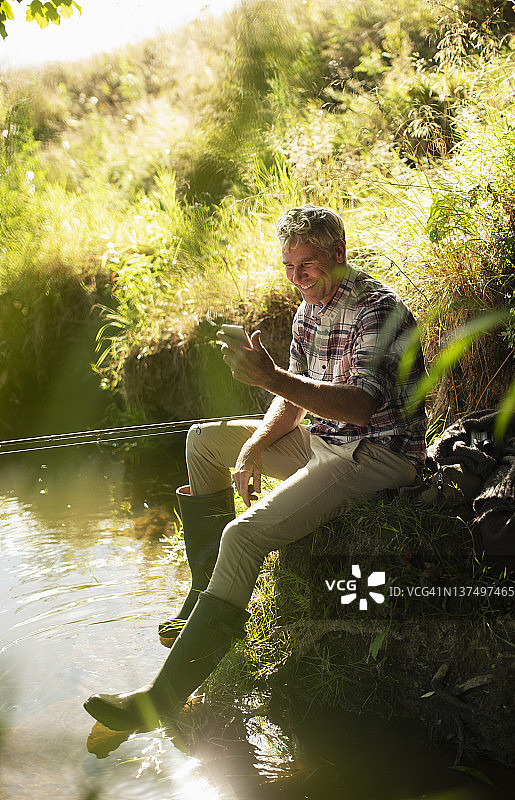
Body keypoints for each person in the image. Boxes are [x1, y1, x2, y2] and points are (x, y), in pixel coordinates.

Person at [84, 205, 427, 731]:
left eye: (307, 265)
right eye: (288, 267)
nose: (296, 279)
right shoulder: (309, 308)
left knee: (243, 537)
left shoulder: (377, 310)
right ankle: (205, 601)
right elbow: (293, 403)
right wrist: (251, 449)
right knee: (203, 441)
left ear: (338, 254)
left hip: (377, 454)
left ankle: (159, 702)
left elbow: (359, 406)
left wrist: (269, 378)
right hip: (325, 441)